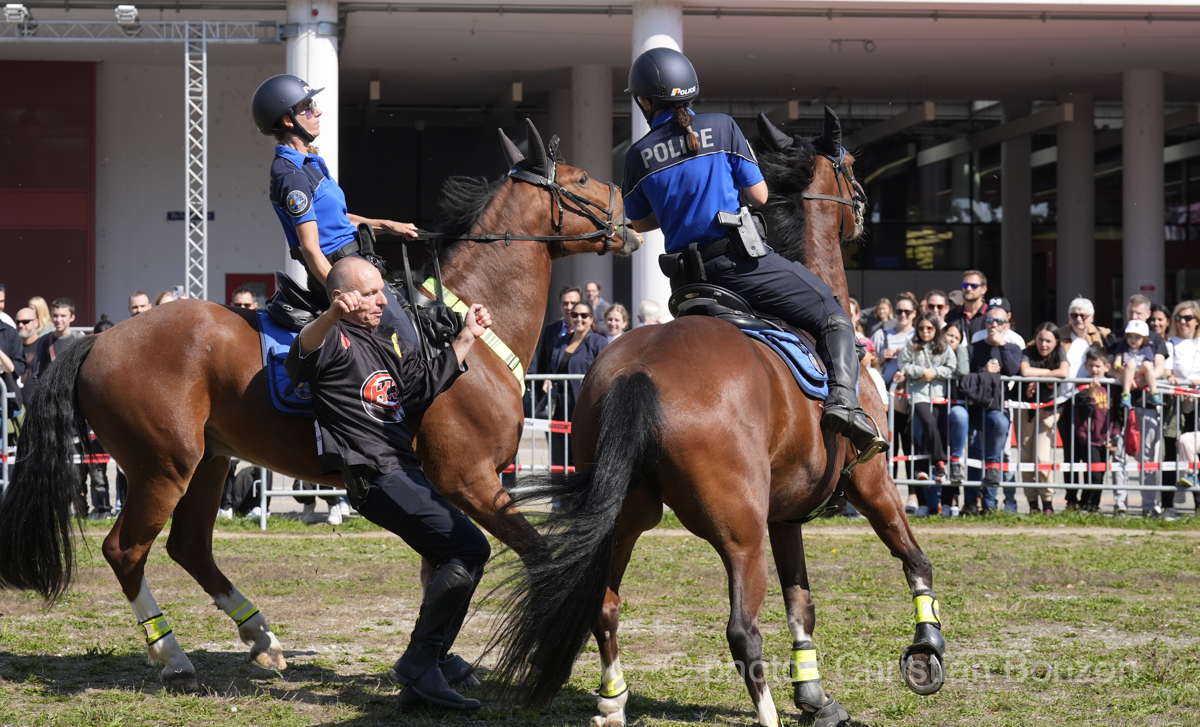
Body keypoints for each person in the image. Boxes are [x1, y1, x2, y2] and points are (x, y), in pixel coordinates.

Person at [621, 47, 885, 461]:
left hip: (689, 283)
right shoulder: (722, 127)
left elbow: (638, 223)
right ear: (689, 92)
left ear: (644, 101)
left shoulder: (637, 155)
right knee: (833, 312)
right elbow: (760, 195)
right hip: (740, 265)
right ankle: (845, 405)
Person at [285, 256, 491, 711]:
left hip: (403, 470)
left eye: (382, 290)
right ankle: (421, 662)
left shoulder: (381, 339)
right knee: (471, 548)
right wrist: (333, 314)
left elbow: (418, 389)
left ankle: (427, 668)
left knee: (455, 555)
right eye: (372, 293)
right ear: (343, 297)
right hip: (375, 476)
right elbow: (299, 359)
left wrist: (465, 338)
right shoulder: (332, 339)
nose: (384, 300)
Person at [252, 74, 420, 346]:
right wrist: (342, 295)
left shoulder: (310, 162)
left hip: (358, 265)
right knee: (408, 341)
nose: (317, 111)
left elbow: (338, 219)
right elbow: (311, 249)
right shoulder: (291, 175)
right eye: (307, 107)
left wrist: (388, 225)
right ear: (287, 120)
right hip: (342, 274)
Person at [963, 297, 1021, 515]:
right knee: (974, 454)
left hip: (997, 410)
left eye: (998, 322)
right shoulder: (973, 348)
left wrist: (1001, 346)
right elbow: (965, 378)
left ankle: (989, 503)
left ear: (1006, 325)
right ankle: (970, 502)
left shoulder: (1013, 348)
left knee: (994, 456)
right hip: (975, 408)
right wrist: (984, 371)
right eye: (989, 321)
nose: (993, 325)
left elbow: (1014, 370)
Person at [900, 312, 957, 515]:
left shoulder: (943, 346)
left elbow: (952, 367)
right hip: (918, 395)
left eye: (929, 328)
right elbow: (903, 365)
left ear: (936, 329)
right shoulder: (911, 344)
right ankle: (940, 462)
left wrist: (935, 372)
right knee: (928, 423)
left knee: (930, 429)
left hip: (939, 395)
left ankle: (924, 468)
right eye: (922, 328)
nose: (925, 332)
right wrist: (920, 372)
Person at [1056, 296, 1110, 511]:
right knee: (1071, 455)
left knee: (1090, 453)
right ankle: (1071, 499)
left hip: (1092, 400)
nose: (1078, 319)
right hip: (1066, 401)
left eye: (1083, 315)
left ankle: (1090, 501)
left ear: (1091, 317)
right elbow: (1036, 348)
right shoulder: (1059, 334)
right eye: (1074, 315)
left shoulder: (1101, 336)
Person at [548, 301, 608, 471]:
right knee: (560, 456)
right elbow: (552, 370)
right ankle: (561, 497)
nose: (579, 319)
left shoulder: (599, 342)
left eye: (584, 315)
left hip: (585, 407)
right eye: (575, 315)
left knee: (583, 454)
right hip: (560, 407)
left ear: (591, 319)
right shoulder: (561, 342)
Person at [1017, 323, 1069, 514]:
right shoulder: (1028, 352)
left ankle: (1047, 502)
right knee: (1026, 457)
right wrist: (1046, 375)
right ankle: (1032, 504)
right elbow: (1025, 371)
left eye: (1048, 341)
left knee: (1042, 457)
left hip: (1049, 411)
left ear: (1056, 341)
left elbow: (1064, 372)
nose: (1044, 345)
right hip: (1026, 411)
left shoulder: (1060, 353)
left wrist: (1038, 377)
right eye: (1040, 340)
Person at [1164, 300, 1200, 515]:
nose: (1183, 322)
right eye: (1178, 318)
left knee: (1196, 451)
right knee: (1170, 454)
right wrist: (1171, 377)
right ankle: (1168, 505)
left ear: (1197, 321)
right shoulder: (1171, 343)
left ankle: (1198, 505)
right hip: (1175, 404)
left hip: (1198, 403)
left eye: (1187, 318)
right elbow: (1167, 370)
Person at [1074, 347, 1115, 513]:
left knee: (1101, 474)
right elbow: (1085, 412)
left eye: (1098, 366)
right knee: (1094, 474)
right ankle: (1085, 505)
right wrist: (1091, 394)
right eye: (1091, 366)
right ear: (1086, 366)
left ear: (1107, 367)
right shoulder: (1082, 387)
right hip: (1088, 437)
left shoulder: (1112, 386)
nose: (1094, 369)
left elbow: (1117, 412)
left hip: (1106, 438)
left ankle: (1094, 505)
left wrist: (1114, 435)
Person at [939, 323, 970, 516]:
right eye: (948, 335)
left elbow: (963, 370)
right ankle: (935, 503)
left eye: (956, 338)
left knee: (961, 417)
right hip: (933, 408)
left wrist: (959, 351)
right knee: (937, 454)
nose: (951, 339)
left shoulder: (961, 353)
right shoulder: (933, 351)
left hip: (954, 408)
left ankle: (953, 500)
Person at [30, 297, 86, 383]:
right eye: (55, 316)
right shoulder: (44, 341)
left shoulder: (79, 339)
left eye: (63, 316)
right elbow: (38, 374)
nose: (58, 320)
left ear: (72, 317)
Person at [1114, 319, 1160, 409]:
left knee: (1147, 364)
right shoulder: (1122, 346)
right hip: (1127, 371)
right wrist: (1118, 367)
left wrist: (1145, 376)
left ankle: (1154, 392)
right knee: (1131, 364)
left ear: (1144, 338)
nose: (1133, 340)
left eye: (1137, 337)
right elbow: (1117, 362)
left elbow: (1151, 364)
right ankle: (1126, 394)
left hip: (1140, 372)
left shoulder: (1146, 348)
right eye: (1130, 336)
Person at [944, 270, 991, 340]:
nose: (968, 289)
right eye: (965, 285)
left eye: (974, 286)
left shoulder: (990, 315)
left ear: (983, 290)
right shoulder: (951, 315)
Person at [14, 307, 38, 386]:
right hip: (15, 397)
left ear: (36, 323)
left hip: (36, 396)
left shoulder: (43, 345)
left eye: (25, 322)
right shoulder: (13, 346)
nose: (20, 325)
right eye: (18, 322)